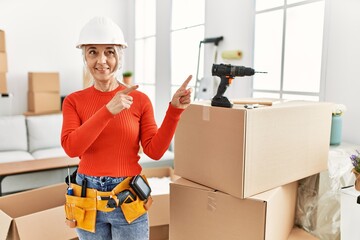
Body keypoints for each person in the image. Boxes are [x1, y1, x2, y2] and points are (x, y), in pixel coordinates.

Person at [61, 16, 192, 240]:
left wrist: (174, 111)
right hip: (86, 197)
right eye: (93, 52)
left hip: (127, 196)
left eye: (109, 52)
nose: (101, 60)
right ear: (84, 56)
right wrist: (107, 111)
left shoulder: (139, 100)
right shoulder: (73, 101)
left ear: (119, 56)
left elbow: (154, 150)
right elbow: (72, 148)